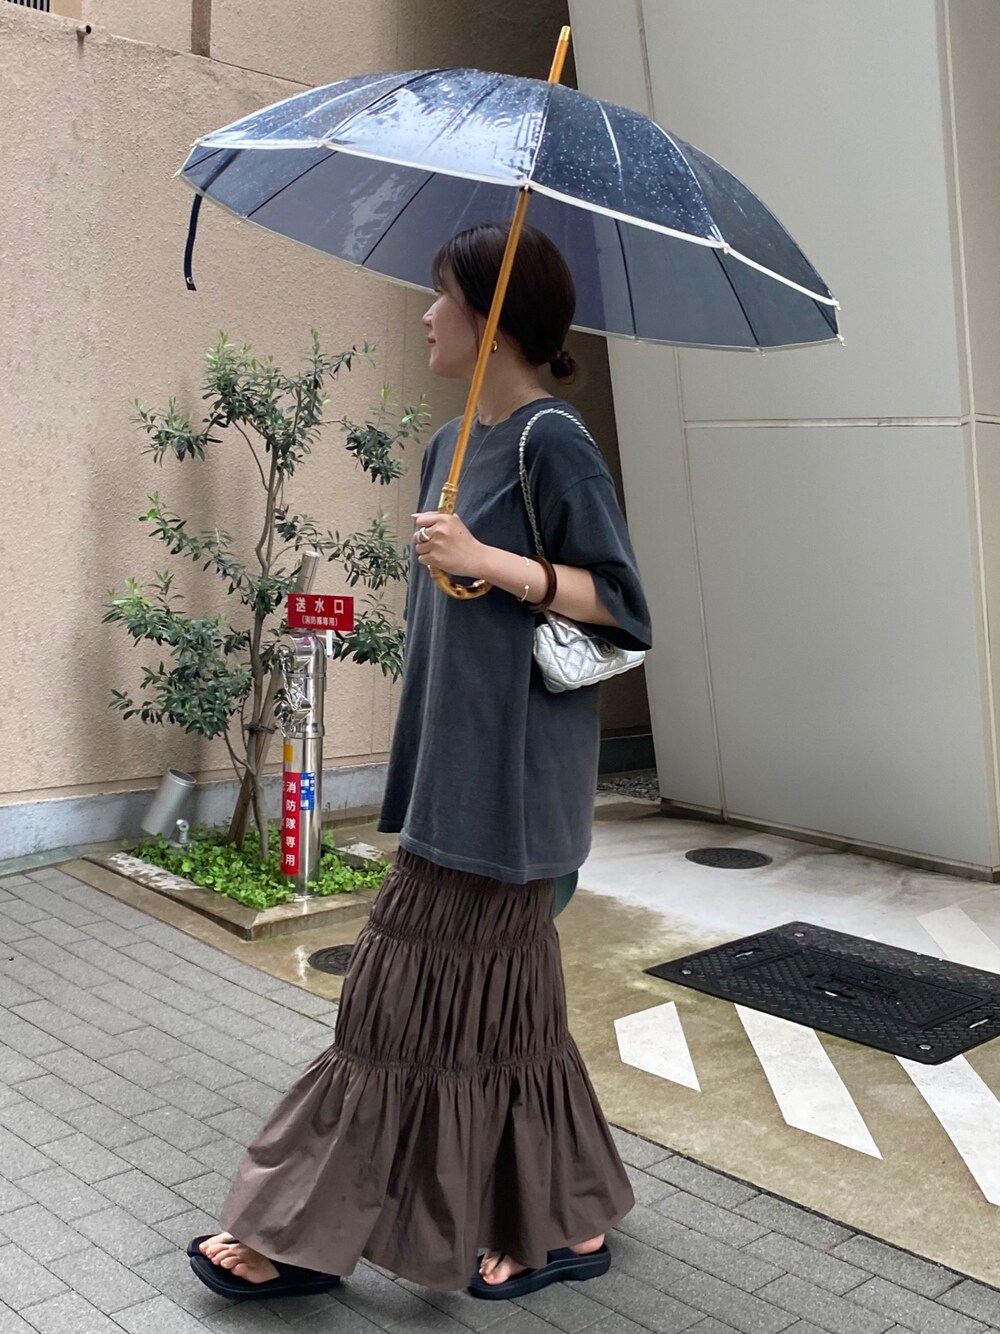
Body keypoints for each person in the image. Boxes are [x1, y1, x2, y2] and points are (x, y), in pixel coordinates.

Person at [189, 221, 653, 1302]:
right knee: (505, 1011)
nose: (426, 313)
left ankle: (299, 1232)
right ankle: (569, 1221)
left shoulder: (554, 443)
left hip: (514, 782)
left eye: (445, 296)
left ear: (495, 320)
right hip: (450, 762)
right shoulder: (449, 447)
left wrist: (492, 559)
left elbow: (624, 605)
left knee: (395, 1006)